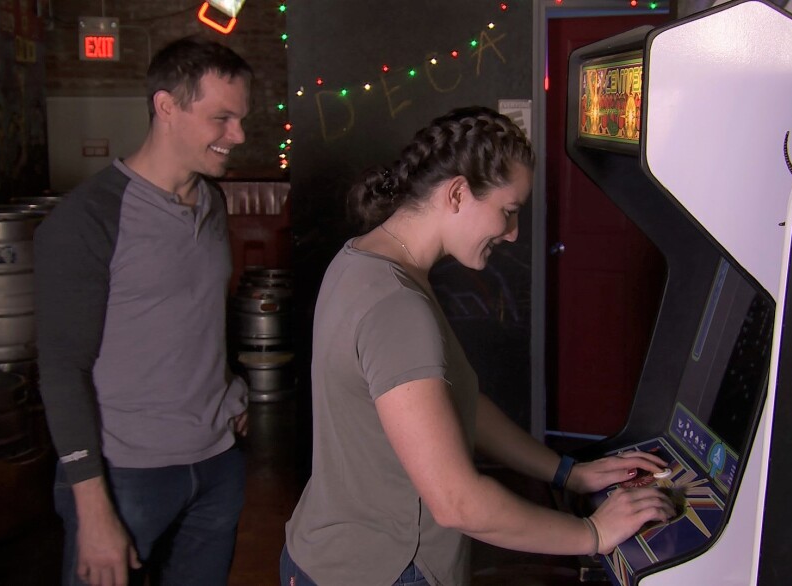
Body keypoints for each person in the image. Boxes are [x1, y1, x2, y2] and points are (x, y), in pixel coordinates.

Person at [281, 106, 675, 586]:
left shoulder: (364, 260)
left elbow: (460, 403)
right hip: (383, 570)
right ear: (457, 193)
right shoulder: (397, 306)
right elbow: (457, 501)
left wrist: (568, 474)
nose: (512, 233)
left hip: (325, 555)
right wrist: (592, 533)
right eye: (508, 212)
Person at [34, 35, 252, 586]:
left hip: (218, 461)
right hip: (124, 474)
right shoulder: (88, 220)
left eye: (241, 119)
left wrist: (229, 384)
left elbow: (196, 314)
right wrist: (93, 508)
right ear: (166, 107)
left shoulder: (212, 200)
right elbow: (62, 368)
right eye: (222, 119)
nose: (239, 136)